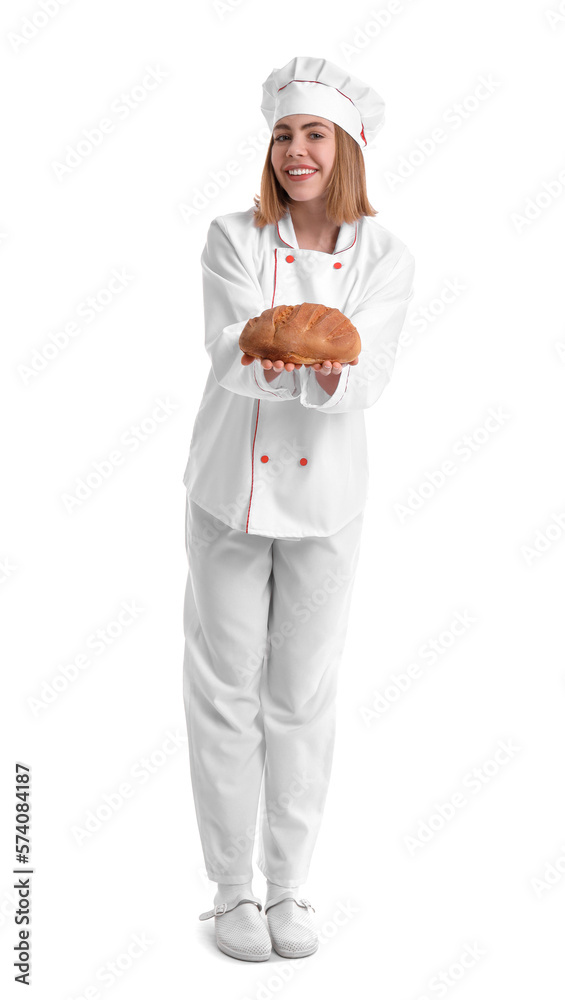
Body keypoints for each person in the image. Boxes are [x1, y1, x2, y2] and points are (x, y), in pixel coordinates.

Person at [182, 54, 416, 962]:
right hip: (227, 494)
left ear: (348, 147)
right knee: (223, 691)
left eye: (313, 133)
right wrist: (287, 355)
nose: (294, 151)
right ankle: (231, 890)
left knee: (301, 697)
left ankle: (290, 890)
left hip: (326, 501)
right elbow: (228, 345)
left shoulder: (386, 257)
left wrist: (320, 371)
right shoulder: (232, 236)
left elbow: (371, 377)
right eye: (283, 134)